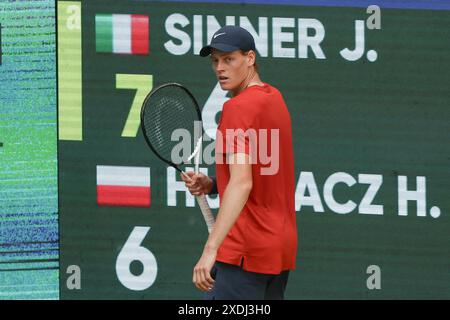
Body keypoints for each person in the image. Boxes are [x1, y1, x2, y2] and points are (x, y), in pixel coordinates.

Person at [181, 25, 297, 300]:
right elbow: (260, 171)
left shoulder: (236, 108)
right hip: (278, 248)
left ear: (250, 58)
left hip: (245, 252)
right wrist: (212, 184)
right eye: (215, 61)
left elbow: (242, 182)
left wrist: (211, 249)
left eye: (229, 59)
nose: (220, 68)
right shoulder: (274, 99)